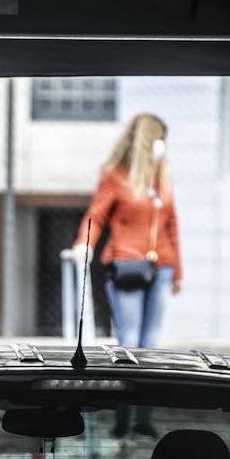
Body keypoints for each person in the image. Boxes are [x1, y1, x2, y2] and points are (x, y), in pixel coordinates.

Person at [73, 113, 182, 438]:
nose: (164, 145)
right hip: (127, 267)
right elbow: (97, 214)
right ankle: (122, 418)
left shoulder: (161, 178)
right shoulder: (116, 176)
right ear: (149, 139)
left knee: (151, 346)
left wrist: (178, 271)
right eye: (160, 137)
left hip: (160, 266)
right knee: (129, 343)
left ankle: (143, 420)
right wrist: (85, 243)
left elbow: (172, 225)